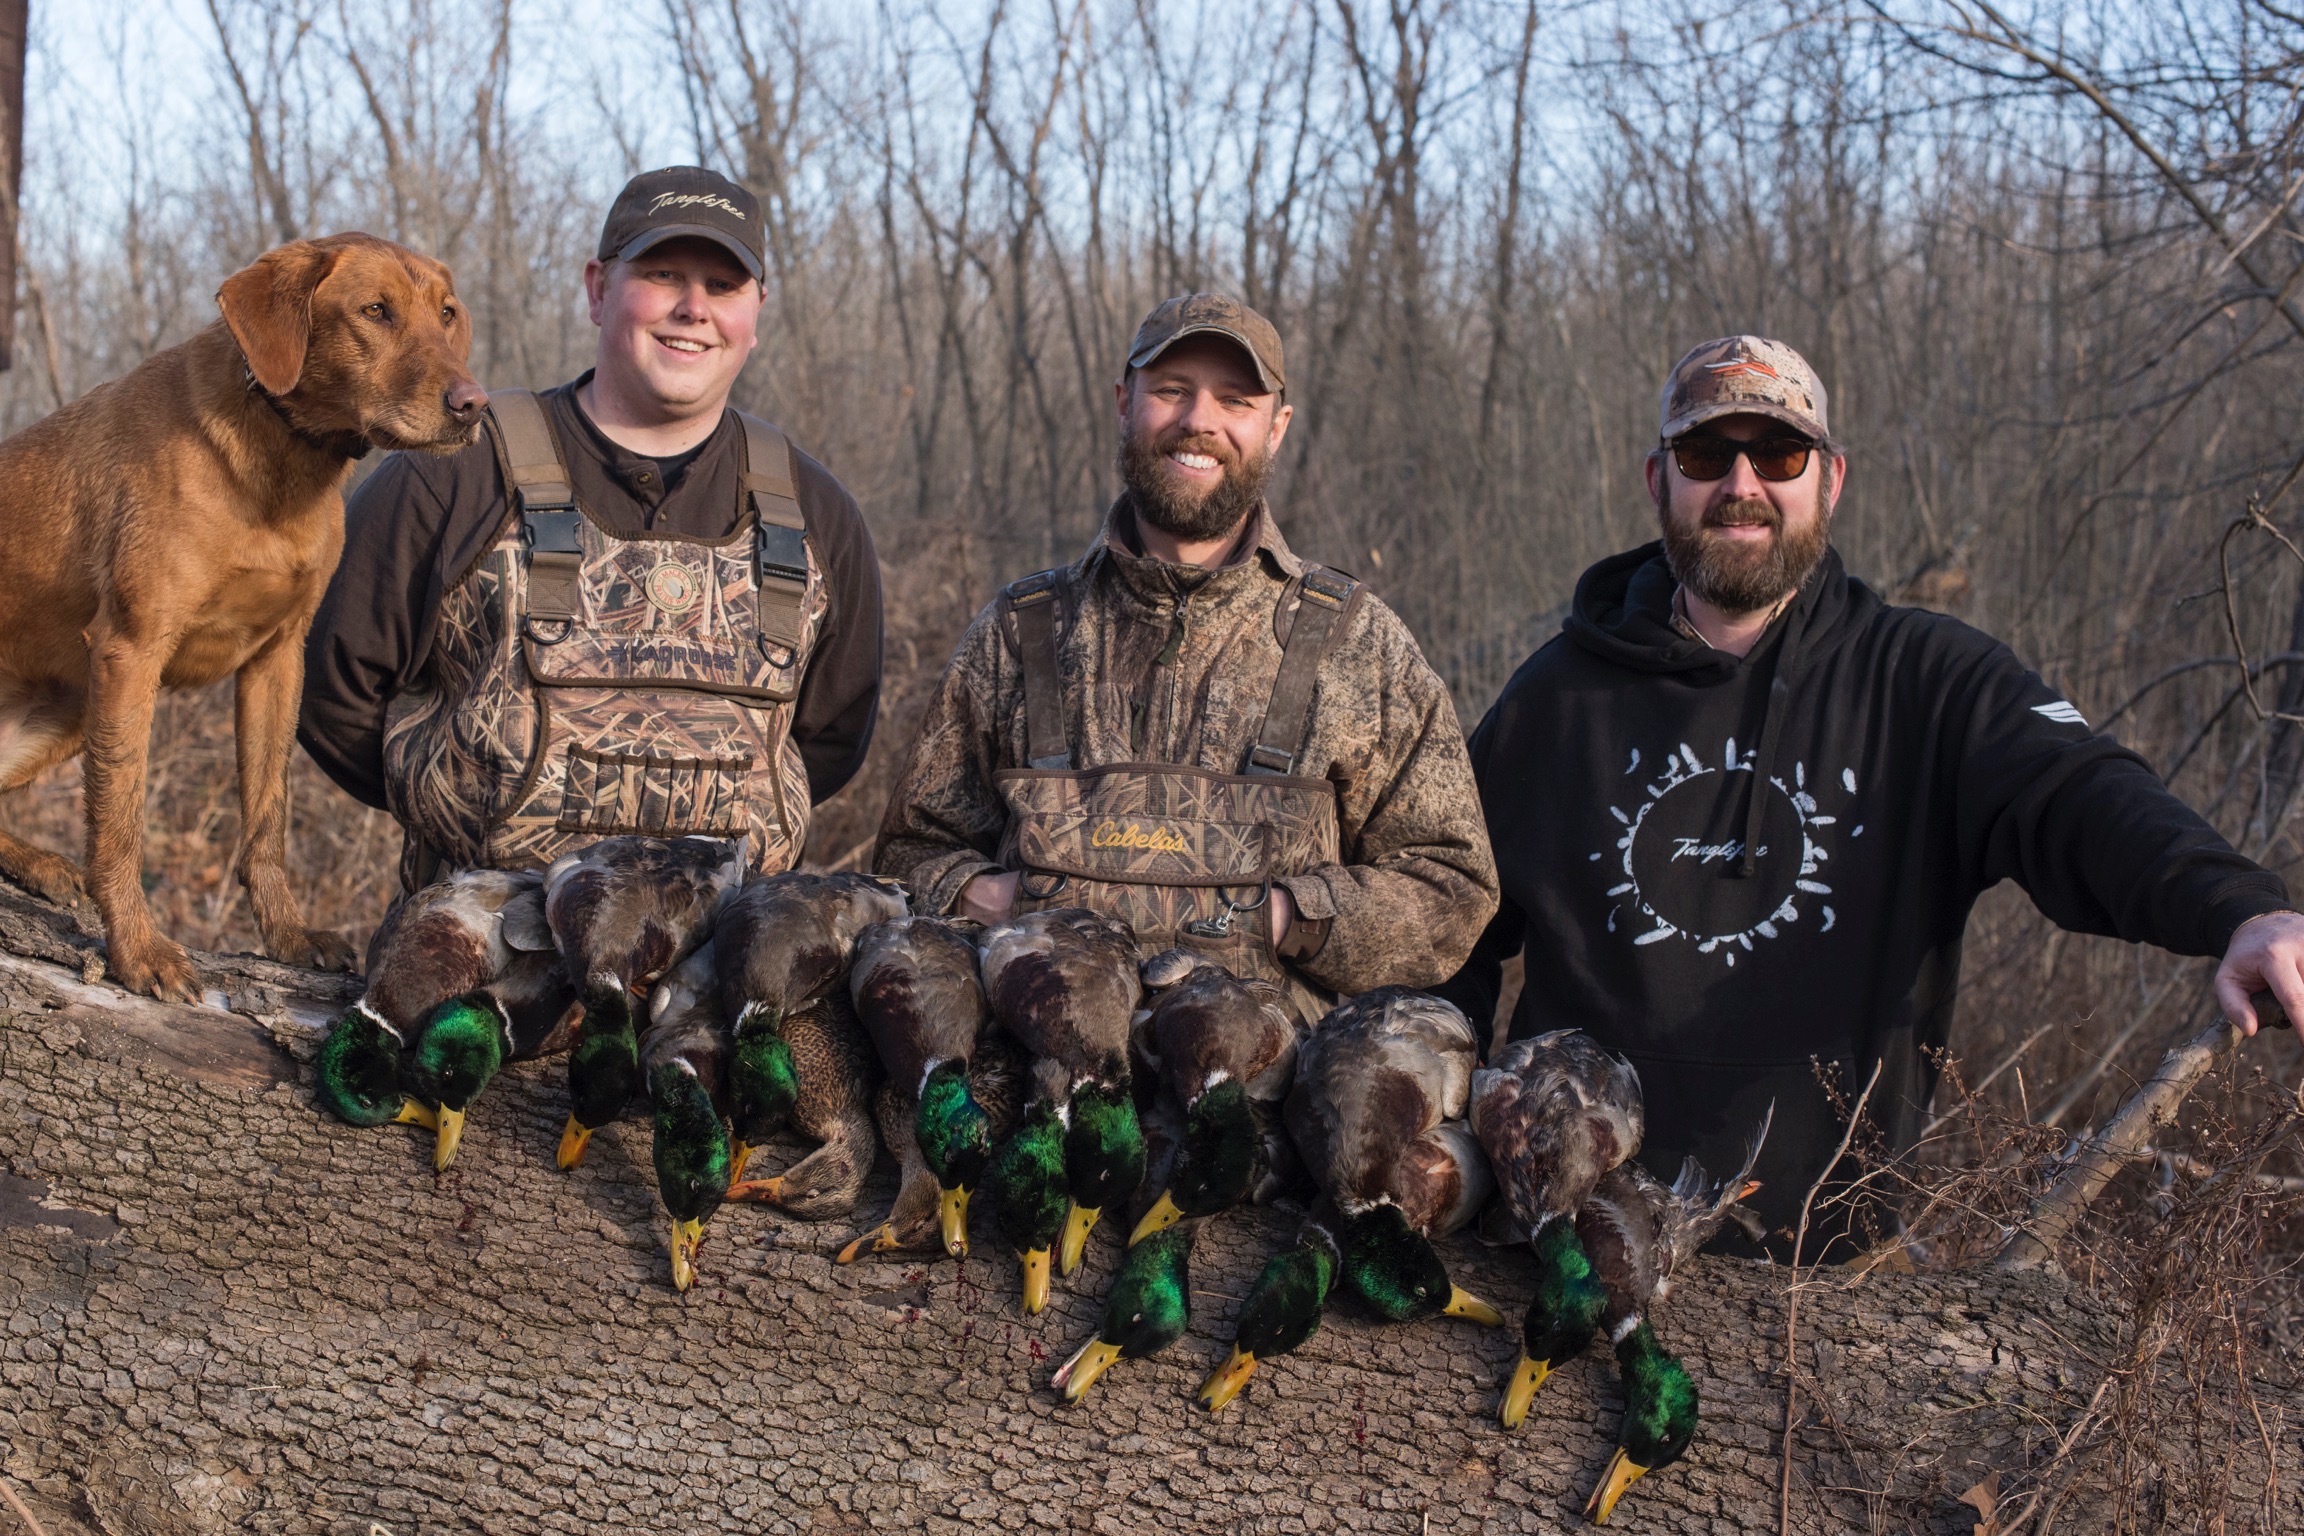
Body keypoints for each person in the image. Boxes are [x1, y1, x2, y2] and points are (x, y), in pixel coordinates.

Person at [1436, 333, 2304, 1256]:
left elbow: (2081, 794)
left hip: (1825, 1275)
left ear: (1830, 480)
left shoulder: (1925, 683)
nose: (1741, 483)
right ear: (1659, 481)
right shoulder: (1556, 699)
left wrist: (2240, 911)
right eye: (1704, 455)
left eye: (1777, 454)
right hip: (1565, 1257)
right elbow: (1450, 931)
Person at [874, 293, 1496, 1019]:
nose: (1199, 420)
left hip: (1266, 1112)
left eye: (1235, 400)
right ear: (1123, 403)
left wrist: (1288, 917)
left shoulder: (1359, 646)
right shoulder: (1019, 633)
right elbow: (906, 860)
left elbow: (1452, 887)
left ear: (1277, 429)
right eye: (1172, 391)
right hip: (1043, 1107)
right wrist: (999, 899)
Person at [300, 167, 883, 890]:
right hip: (482, 962)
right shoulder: (452, 475)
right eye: (663, 273)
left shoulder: (814, 513)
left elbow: (831, 740)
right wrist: (465, 805)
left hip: (730, 971)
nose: (693, 308)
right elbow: (324, 685)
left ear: (755, 312)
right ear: (598, 290)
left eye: (724, 286)